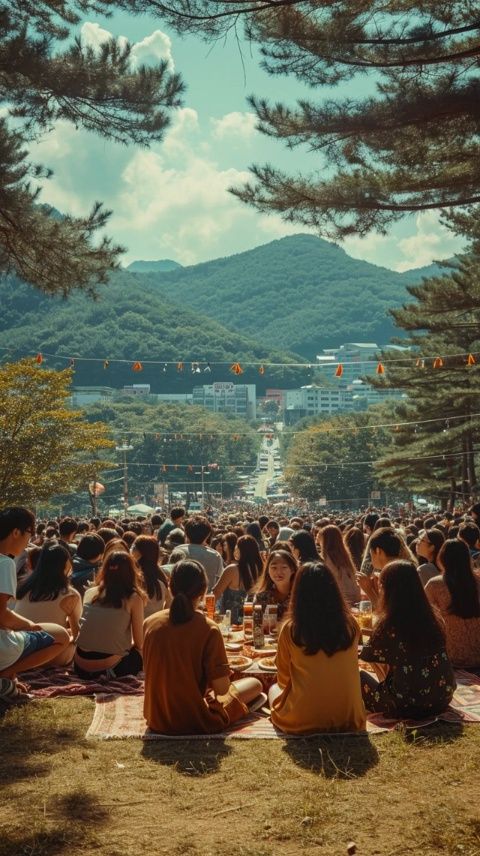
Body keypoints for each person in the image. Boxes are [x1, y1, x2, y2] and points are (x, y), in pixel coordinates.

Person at [143, 559, 262, 734]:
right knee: (255, 684)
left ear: (170, 586)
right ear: (203, 590)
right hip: (194, 719)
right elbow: (222, 689)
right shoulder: (208, 628)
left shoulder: (149, 623)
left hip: (156, 717)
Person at [269, 562, 366, 733]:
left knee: (272, 690)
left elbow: (283, 681)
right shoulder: (351, 625)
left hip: (302, 720)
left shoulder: (291, 628)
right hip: (350, 718)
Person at [360, 560, 456, 719]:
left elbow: (368, 655)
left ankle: (387, 688)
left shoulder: (389, 623)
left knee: (360, 677)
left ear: (388, 589)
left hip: (406, 704)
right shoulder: (433, 617)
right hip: (442, 696)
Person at [0, 507, 70, 703]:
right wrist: (31, 626)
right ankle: (6, 674)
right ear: (16, 532)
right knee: (60, 636)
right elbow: (1, 616)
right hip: (3, 648)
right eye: (30, 532)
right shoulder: (4, 563)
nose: (30, 540)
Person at [74, 551, 144, 678]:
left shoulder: (90, 593)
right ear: (131, 572)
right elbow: (139, 643)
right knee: (142, 651)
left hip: (80, 666)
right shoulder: (133, 598)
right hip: (112, 668)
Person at [15, 542, 81, 666]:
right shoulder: (70, 594)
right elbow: (78, 635)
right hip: (52, 657)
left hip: (20, 654)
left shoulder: (22, 588)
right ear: (66, 565)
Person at [425, 539, 480, 670]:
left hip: (450, 659)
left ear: (442, 558)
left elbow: (423, 617)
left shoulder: (435, 585)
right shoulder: (477, 583)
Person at [212, 534, 263, 623]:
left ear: (239, 550)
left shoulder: (233, 569)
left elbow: (216, 592)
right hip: (255, 620)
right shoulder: (262, 569)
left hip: (231, 621)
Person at [175, 516, 223, 590]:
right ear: (207, 535)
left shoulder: (178, 550)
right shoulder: (215, 556)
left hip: (180, 597)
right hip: (205, 598)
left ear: (186, 534)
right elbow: (218, 580)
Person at [318, 524, 361, 606]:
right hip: (356, 598)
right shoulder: (345, 555)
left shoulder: (325, 558)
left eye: (320, 537)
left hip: (341, 601)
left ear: (325, 539)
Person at [131, 535, 172, 618]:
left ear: (140, 553)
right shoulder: (161, 576)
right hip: (153, 626)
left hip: (134, 627)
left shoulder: (133, 576)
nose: (131, 549)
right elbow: (170, 602)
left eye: (133, 547)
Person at [254, 549, 298, 619]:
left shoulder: (300, 595)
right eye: (274, 568)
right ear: (268, 570)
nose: (278, 572)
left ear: (292, 570)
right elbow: (256, 624)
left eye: (284, 567)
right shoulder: (262, 597)